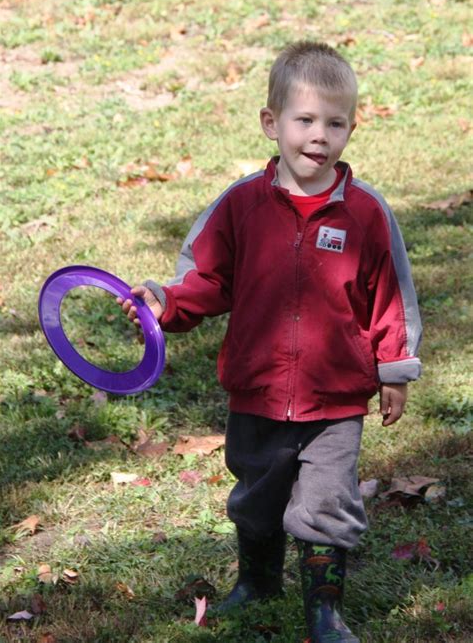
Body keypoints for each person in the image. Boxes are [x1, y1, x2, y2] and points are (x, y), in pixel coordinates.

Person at [117, 41, 422, 643]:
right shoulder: (241, 207)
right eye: (304, 120)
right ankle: (257, 581)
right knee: (256, 498)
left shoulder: (364, 214)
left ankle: (324, 612)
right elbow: (206, 278)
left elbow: (391, 294)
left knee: (327, 503)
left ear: (351, 130)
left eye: (334, 123)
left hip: (335, 397)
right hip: (256, 392)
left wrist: (394, 367)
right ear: (271, 123)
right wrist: (166, 304)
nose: (318, 135)